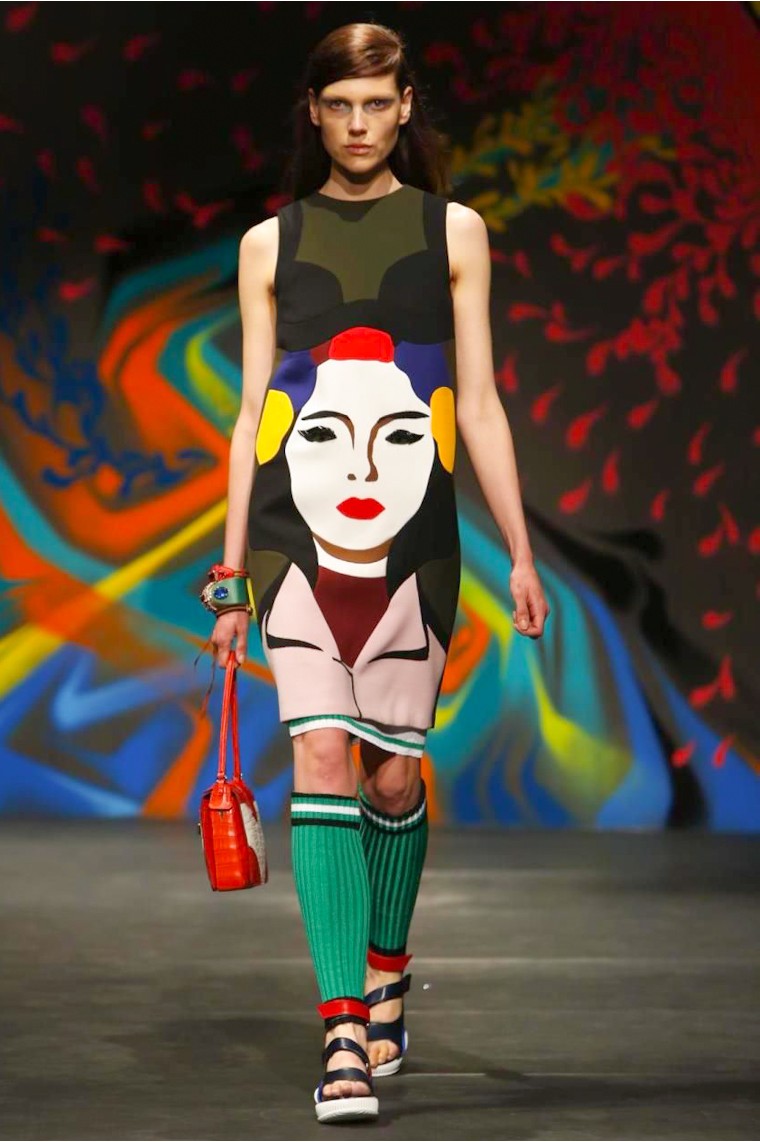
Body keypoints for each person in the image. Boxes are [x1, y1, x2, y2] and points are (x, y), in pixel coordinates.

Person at [205, 21, 550, 1125]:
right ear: (314, 113)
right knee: (320, 751)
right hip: (291, 538)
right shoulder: (271, 244)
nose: (358, 125)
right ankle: (344, 1029)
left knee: (394, 778)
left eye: (377, 104)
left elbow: (479, 403)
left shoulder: (455, 232)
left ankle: (388, 963)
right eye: (339, 106)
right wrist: (230, 574)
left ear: (405, 109)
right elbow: (253, 413)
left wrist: (521, 549)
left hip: (417, 543)